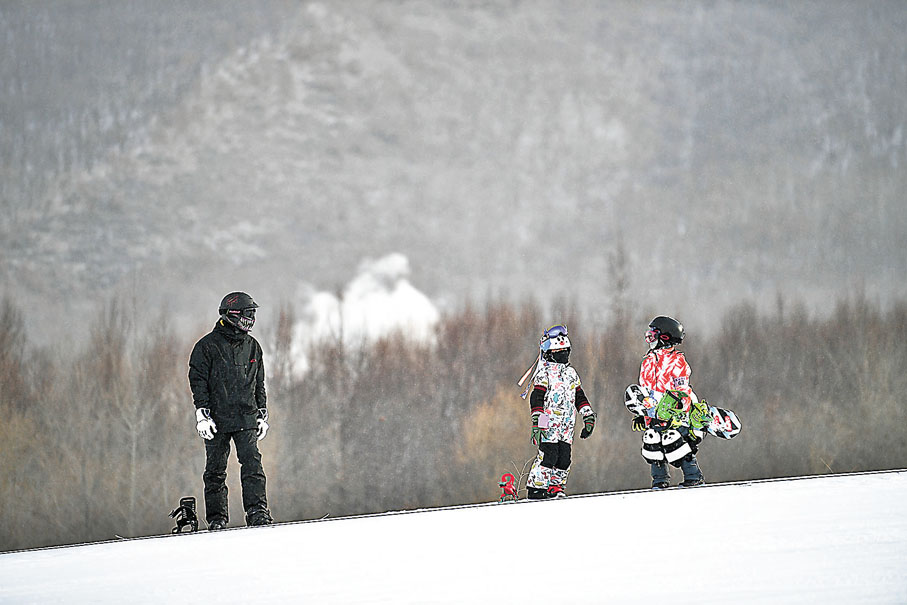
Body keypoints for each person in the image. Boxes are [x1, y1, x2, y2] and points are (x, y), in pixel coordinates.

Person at [188, 291, 273, 529]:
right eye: (248, 313)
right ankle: (217, 519)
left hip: (246, 416)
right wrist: (202, 413)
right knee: (215, 470)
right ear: (232, 314)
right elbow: (198, 381)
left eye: (253, 313)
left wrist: (262, 412)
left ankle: (257, 513)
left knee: (253, 466)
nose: (251, 319)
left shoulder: (253, 346)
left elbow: (259, 382)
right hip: (217, 419)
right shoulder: (206, 346)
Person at [630, 315, 710, 489]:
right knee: (652, 440)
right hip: (653, 412)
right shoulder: (648, 360)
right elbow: (645, 390)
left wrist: (679, 409)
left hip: (673, 412)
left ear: (665, 337)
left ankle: (693, 476)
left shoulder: (676, 361)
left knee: (673, 440)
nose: (649, 338)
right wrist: (641, 413)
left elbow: (682, 390)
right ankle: (660, 480)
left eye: (653, 334)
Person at [524, 324, 596, 499]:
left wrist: (588, 415)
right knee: (548, 455)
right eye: (559, 352)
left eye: (565, 351)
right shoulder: (544, 374)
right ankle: (536, 487)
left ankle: (555, 487)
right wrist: (537, 420)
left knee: (564, 458)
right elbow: (537, 397)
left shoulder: (571, 373)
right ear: (549, 354)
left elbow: (579, 396)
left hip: (566, 425)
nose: (563, 355)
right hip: (548, 423)